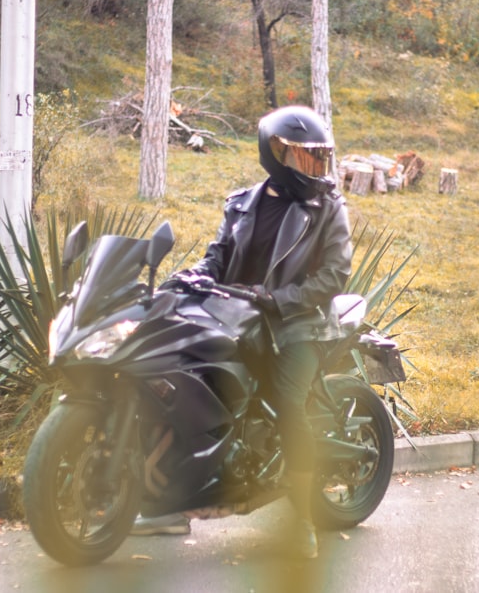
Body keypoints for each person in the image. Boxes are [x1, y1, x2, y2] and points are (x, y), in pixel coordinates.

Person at [131, 106, 353, 559]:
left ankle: (303, 519)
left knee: (289, 404)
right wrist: (187, 276)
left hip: (298, 324)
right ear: (275, 154)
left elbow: (335, 276)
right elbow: (216, 258)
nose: (315, 168)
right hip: (234, 315)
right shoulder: (242, 204)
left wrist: (280, 300)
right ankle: (171, 504)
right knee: (179, 383)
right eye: (304, 157)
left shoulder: (328, 207)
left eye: (320, 157)